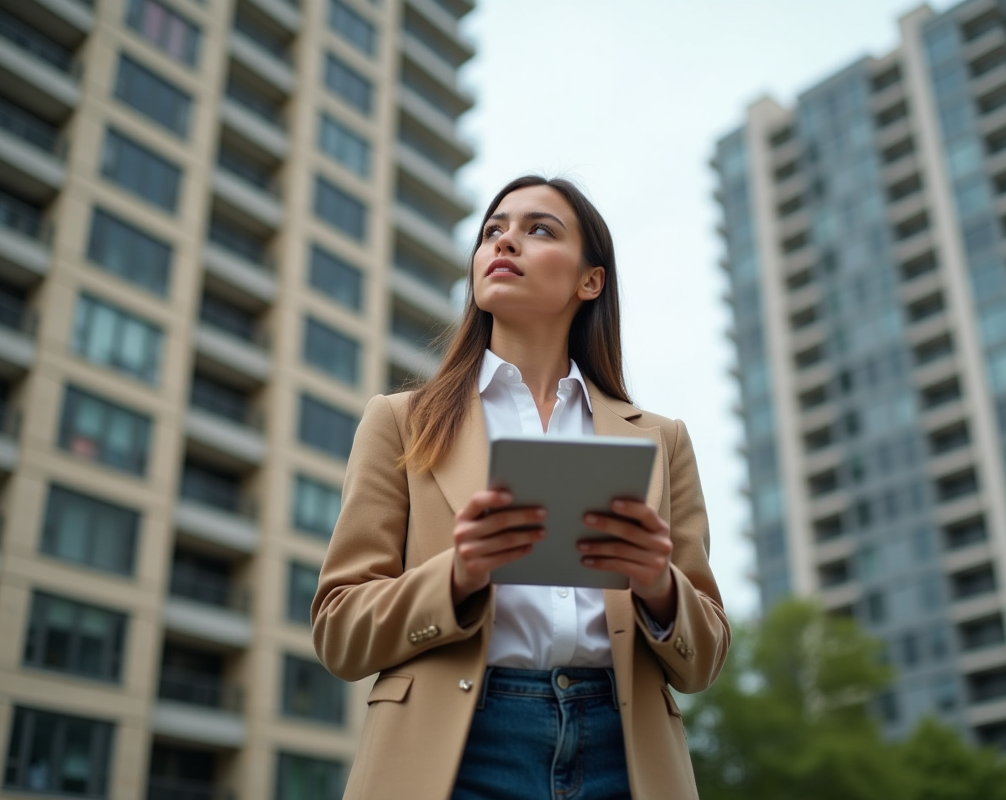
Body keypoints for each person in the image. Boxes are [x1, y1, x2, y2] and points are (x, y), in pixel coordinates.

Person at [312, 175, 730, 800]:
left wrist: (659, 587)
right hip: (453, 753)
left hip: (624, 753)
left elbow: (704, 660)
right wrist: (458, 575)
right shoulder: (401, 421)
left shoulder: (660, 439)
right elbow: (339, 632)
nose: (505, 242)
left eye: (539, 230)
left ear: (591, 281)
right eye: (492, 231)